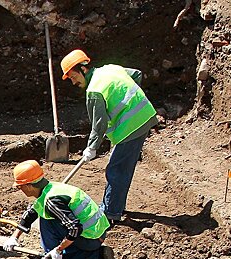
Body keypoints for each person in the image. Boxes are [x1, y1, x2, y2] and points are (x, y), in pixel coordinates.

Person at [60, 49, 158, 224]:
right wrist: (130, 101)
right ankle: (115, 205)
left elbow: (99, 125)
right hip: (145, 116)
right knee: (122, 166)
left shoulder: (94, 91)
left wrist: (91, 147)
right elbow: (136, 74)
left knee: (116, 170)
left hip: (131, 126)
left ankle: (111, 212)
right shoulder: (110, 69)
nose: (73, 82)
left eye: (73, 77)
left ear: (82, 69)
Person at [3, 160, 118, 259]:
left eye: (20, 186)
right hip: (97, 232)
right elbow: (33, 211)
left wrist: (57, 251)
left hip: (90, 238)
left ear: (28, 186)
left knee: (47, 221)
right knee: (45, 213)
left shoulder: (52, 201)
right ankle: (63, 254)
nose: (20, 189)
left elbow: (75, 228)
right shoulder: (52, 188)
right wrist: (14, 237)